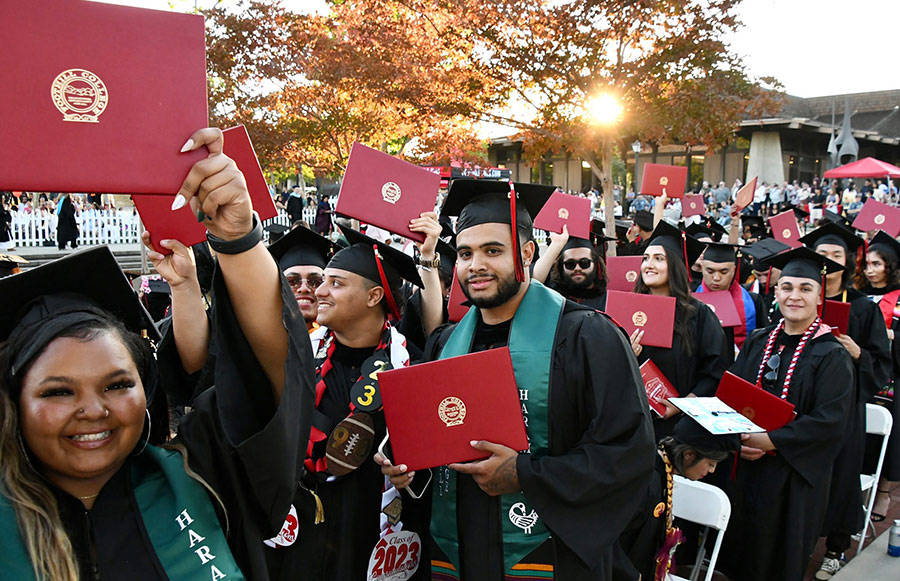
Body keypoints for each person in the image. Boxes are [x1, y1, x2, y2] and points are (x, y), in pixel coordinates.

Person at [0, 127, 316, 580]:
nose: (93, 409)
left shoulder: (203, 480)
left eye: (117, 384)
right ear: (14, 402)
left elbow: (267, 380)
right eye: (57, 392)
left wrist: (237, 238)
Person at [379, 179, 656, 579]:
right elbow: (440, 445)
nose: (476, 265)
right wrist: (409, 468)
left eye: (493, 251)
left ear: (527, 253)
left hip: (553, 554)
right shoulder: (445, 344)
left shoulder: (586, 338)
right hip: (463, 548)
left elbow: (627, 453)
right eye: (465, 253)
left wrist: (526, 475)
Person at [298, 222, 430, 580]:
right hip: (305, 537)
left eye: (336, 283)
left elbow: (430, 470)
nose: (319, 291)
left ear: (374, 296)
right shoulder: (297, 359)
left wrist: (412, 476)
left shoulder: (411, 367)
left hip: (375, 540)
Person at [717, 247, 854, 581]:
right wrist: (738, 436)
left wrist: (770, 441)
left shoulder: (832, 355)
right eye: (788, 287)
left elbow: (830, 424)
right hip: (745, 468)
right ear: (775, 293)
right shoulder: (758, 341)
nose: (795, 296)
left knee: (777, 562)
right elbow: (730, 395)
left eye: (805, 289)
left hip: (793, 481)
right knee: (737, 556)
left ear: (819, 297)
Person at [796, 223, 892, 579]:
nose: (828, 261)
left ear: (849, 262)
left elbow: (883, 365)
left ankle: (836, 549)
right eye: (822, 255)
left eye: (837, 255)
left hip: (844, 410)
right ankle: (799, 538)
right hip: (801, 404)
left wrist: (857, 354)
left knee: (840, 475)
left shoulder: (864, 310)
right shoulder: (801, 299)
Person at [630, 221, 730, 438]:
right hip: (635, 424)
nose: (649, 264)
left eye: (659, 259)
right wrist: (627, 355)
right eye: (645, 258)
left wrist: (685, 404)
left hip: (683, 426)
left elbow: (716, 372)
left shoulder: (699, 314)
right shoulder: (629, 312)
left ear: (675, 265)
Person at [613, 417, 740, 581]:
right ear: (689, 454)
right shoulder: (646, 479)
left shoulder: (662, 472)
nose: (712, 470)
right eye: (710, 463)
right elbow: (607, 537)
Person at [858, 231, 900, 523]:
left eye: (877, 264)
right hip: (862, 369)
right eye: (867, 264)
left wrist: (892, 335)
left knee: (890, 434)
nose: (870, 270)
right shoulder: (859, 295)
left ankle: (883, 490)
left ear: (891, 266)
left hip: (893, 376)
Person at [696, 242, 768, 357]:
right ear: (702, 268)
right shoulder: (690, 300)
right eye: (710, 271)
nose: (716, 278)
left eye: (724, 272)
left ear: (734, 270)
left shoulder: (753, 301)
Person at [532, 225, 610, 311]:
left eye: (584, 263)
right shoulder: (552, 295)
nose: (577, 268)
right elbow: (532, 283)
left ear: (595, 263)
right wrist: (556, 244)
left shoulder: (607, 300)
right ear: (561, 265)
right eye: (570, 264)